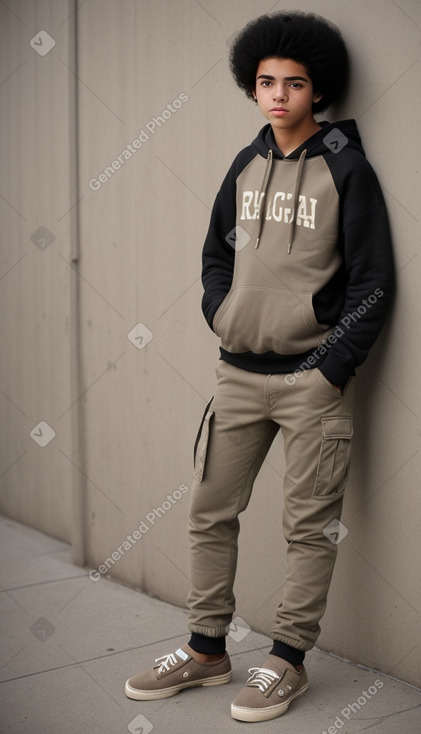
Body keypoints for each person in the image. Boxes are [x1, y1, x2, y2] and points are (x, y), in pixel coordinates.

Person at [125, 10, 395, 723]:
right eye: (266, 82)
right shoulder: (244, 166)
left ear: (318, 90)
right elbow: (216, 253)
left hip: (311, 384)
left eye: (294, 83)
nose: (278, 95)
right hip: (236, 377)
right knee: (209, 513)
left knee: (308, 528)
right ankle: (206, 649)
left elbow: (374, 282)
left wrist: (329, 369)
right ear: (251, 87)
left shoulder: (345, 168)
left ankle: (287, 661)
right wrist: (223, 313)